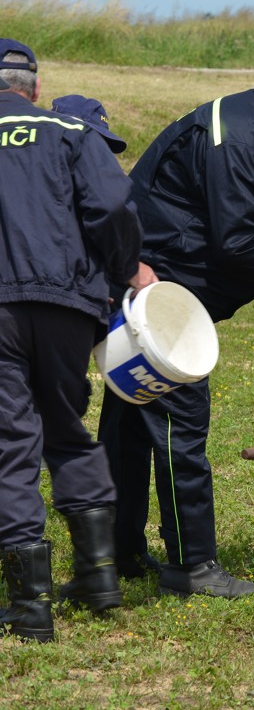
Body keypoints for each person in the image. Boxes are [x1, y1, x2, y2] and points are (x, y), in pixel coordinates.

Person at [98, 53, 254, 599]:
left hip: (172, 296)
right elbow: (240, 241)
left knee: (129, 426)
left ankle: (114, 551)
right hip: (157, 299)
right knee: (179, 426)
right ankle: (191, 565)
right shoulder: (233, 137)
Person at [0, 41, 149, 642]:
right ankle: (98, 577)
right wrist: (123, 267)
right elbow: (112, 203)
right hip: (67, 303)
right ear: (36, 88)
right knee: (66, 431)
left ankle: (29, 606)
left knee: (12, 441)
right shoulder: (69, 131)